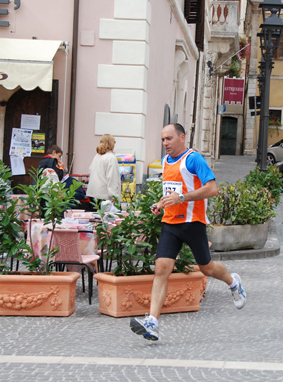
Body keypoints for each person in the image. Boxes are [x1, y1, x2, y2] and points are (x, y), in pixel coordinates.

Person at [129, 123, 246, 342]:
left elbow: (212, 189)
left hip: (193, 223)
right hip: (170, 223)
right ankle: (152, 322)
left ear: (182, 137)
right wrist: (160, 203)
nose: (165, 143)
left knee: (207, 268)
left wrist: (182, 198)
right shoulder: (165, 162)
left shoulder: (194, 159)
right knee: (161, 269)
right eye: (163, 139)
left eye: (169, 139)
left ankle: (233, 282)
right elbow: (171, 192)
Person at [85, 134, 121, 206]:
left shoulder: (97, 156)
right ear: (111, 143)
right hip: (105, 196)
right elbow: (112, 178)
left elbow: (91, 171)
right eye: (114, 142)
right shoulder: (111, 158)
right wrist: (114, 195)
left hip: (93, 194)